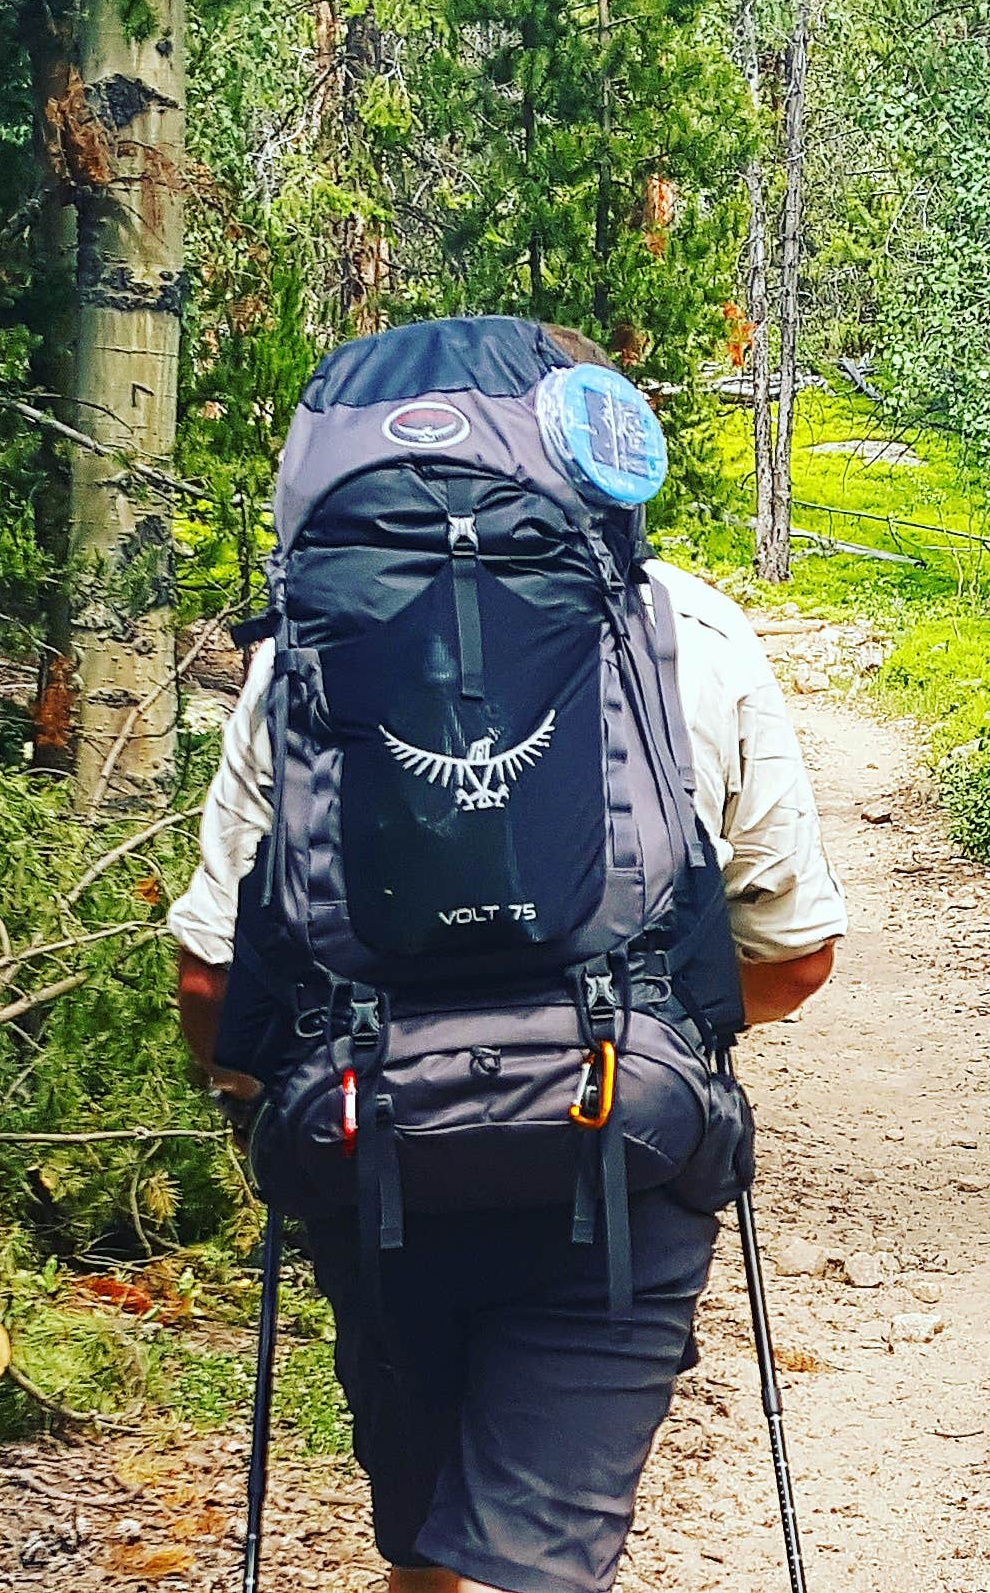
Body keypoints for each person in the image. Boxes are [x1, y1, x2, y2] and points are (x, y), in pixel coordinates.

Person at [170, 528, 844, 1593]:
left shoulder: (316, 631)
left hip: (374, 1153)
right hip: (617, 1158)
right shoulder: (687, 625)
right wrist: (662, 1029)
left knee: (427, 1544)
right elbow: (797, 957)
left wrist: (266, 1095)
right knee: (535, 1562)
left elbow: (210, 981)